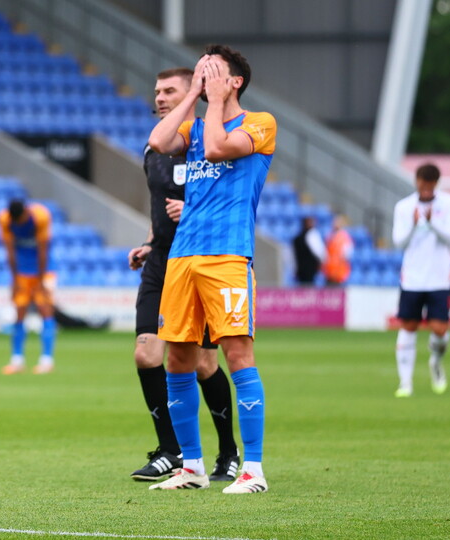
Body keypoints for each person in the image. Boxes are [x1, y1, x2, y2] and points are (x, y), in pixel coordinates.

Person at [146, 45, 275, 494]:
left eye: (213, 71)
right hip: (182, 257)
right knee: (177, 359)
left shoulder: (260, 123)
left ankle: (253, 470)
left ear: (235, 81)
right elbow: (158, 142)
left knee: (237, 356)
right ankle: (192, 466)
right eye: (200, 71)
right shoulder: (193, 126)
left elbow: (219, 149)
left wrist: (215, 100)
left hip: (227, 256)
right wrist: (192, 94)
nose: (204, 77)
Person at [126, 67, 239, 484]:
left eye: (169, 90)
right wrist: (148, 241)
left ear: (191, 93)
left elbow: (230, 200)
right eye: (157, 91)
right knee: (146, 354)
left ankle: (228, 451)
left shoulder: (211, 142)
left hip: (201, 260)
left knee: (205, 363)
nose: (159, 97)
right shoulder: (154, 148)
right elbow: (158, 206)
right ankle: (170, 450)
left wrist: (190, 212)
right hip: (161, 261)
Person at [392, 163, 450, 397]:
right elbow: (399, 242)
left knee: (439, 329)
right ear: (417, 181)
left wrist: (433, 223)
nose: (426, 188)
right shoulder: (404, 207)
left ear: (436, 183)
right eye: (423, 183)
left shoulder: (449, 204)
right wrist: (413, 225)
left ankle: (436, 362)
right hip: (412, 277)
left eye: (430, 184)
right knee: (409, 326)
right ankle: (405, 383)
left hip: (440, 276)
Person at [0, 198, 57, 375]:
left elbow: (43, 250)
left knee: (45, 310)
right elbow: (10, 251)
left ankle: (47, 360)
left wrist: (41, 281)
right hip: (22, 272)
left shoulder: (41, 216)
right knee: (19, 313)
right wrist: (15, 280)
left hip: (44, 270)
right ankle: (17, 360)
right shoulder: (5, 220)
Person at [292, 216, 326, 286]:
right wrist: (322, 261)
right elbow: (319, 252)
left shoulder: (297, 238)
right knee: (308, 286)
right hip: (308, 268)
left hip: (302, 270)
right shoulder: (312, 235)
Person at [322, 214, 354, 286]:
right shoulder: (330, 235)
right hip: (329, 270)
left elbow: (347, 254)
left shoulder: (344, 237)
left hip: (338, 271)